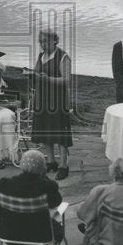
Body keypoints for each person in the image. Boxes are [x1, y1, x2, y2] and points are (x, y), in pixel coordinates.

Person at [0, 149, 64, 245]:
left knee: (22, 221)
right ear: (43, 168)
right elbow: (56, 202)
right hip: (40, 235)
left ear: (22, 165)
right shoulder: (47, 186)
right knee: (61, 210)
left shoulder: (4, 185)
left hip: (8, 234)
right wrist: (44, 177)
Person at [26, 28, 73, 180]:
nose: (43, 45)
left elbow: (66, 79)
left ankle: (63, 165)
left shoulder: (62, 56)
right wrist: (32, 77)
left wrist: (48, 79)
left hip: (58, 100)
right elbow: (38, 75)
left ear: (54, 40)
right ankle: (51, 161)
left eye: (46, 41)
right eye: (41, 42)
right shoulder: (41, 56)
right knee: (46, 131)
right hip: (42, 99)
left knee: (60, 132)